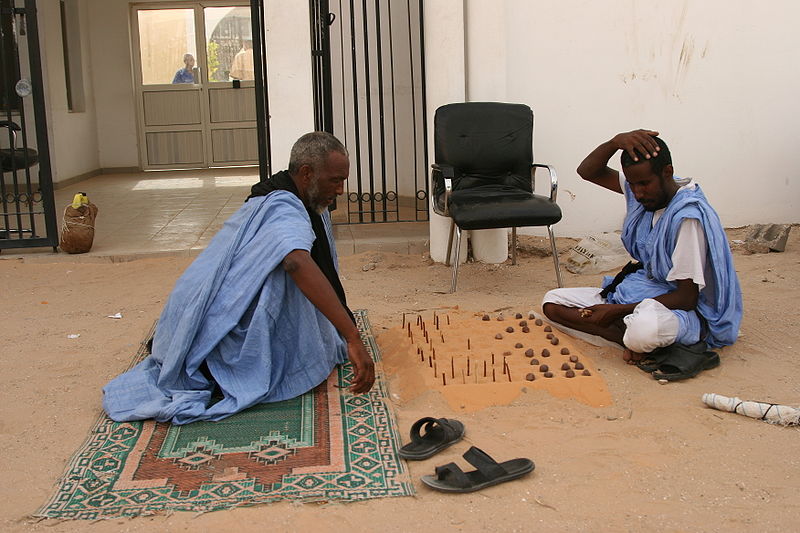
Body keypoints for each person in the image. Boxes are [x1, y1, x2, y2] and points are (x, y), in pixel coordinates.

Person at [103, 132, 375, 424]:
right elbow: (296, 262)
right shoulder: (282, 207)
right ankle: (214, 364)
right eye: (335, 180)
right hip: (219, 322)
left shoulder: (298, 200)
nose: (342, 190)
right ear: (307, 173)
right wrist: (351, 335)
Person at [542, 129, 742, 367]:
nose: (637, 193)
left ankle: (631, 334)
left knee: (643, 330)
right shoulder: (642, 192)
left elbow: (687, 297)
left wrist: (616, 312)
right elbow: (588, 171)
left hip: (684, 309)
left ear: (667, 172)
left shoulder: (688, 218)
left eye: (645, 184)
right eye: (633, 184)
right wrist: (614, 142)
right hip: (642, 290)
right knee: (552, 302)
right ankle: (625, 338)